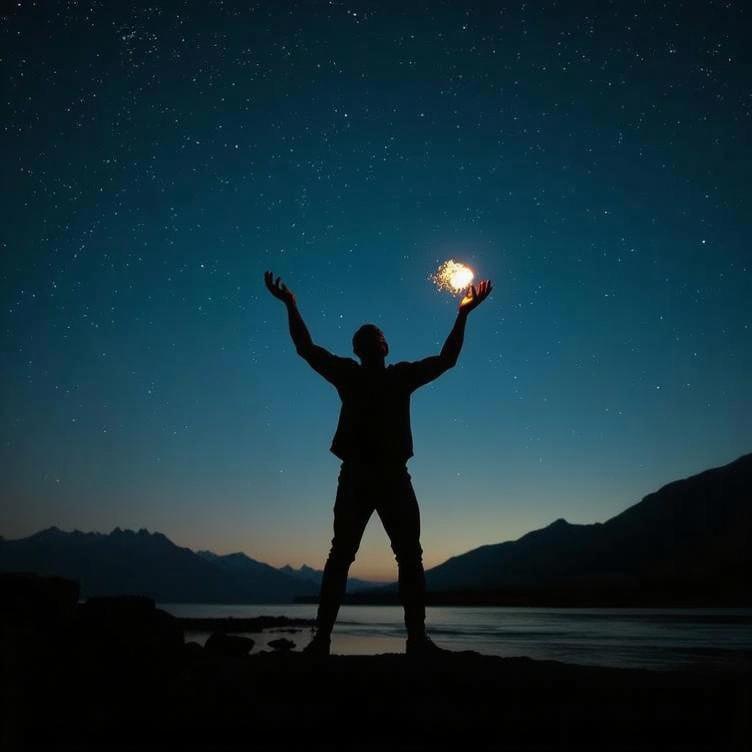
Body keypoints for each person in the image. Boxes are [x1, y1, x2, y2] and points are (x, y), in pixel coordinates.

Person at [263, 270, 492, 656]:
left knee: (398, 556)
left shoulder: (397, 376)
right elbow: (306, 347)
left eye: (376, 336)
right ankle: (326, 640)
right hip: (359, 475)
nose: (373, 340)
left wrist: (464, 314)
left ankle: (411, 640)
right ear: (362, 349)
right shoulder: (352, 374)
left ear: (384, 347)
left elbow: (447, 359)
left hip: (389, 476)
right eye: (367, 338)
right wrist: (290, 305)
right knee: (348, 557)